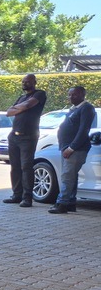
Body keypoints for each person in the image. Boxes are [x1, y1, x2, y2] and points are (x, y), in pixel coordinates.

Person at [49, 86, 96, 214]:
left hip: (75, 149)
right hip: (66, 147)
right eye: (69, 95)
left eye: (74, 95)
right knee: (71, 177)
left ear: (82, 95)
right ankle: (70, 202)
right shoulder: (74, 109)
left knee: (67, 177)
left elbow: (83, 130)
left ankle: (62, 204)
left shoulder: (87, 108)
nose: (70, 97)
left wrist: (71, 148)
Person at [3, 74, 47, 207]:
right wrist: (20, 107)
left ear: (34, 82)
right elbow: (8, 112)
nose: (24, 83)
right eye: (23, 81)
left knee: (26, 167)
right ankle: (17, 195)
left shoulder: (39, 94)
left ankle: (27, 198)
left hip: (28, 136)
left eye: (27, 81)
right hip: (14, 136)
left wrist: (19, 108)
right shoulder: (21, 97)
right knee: (14, 167)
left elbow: (28, 105)